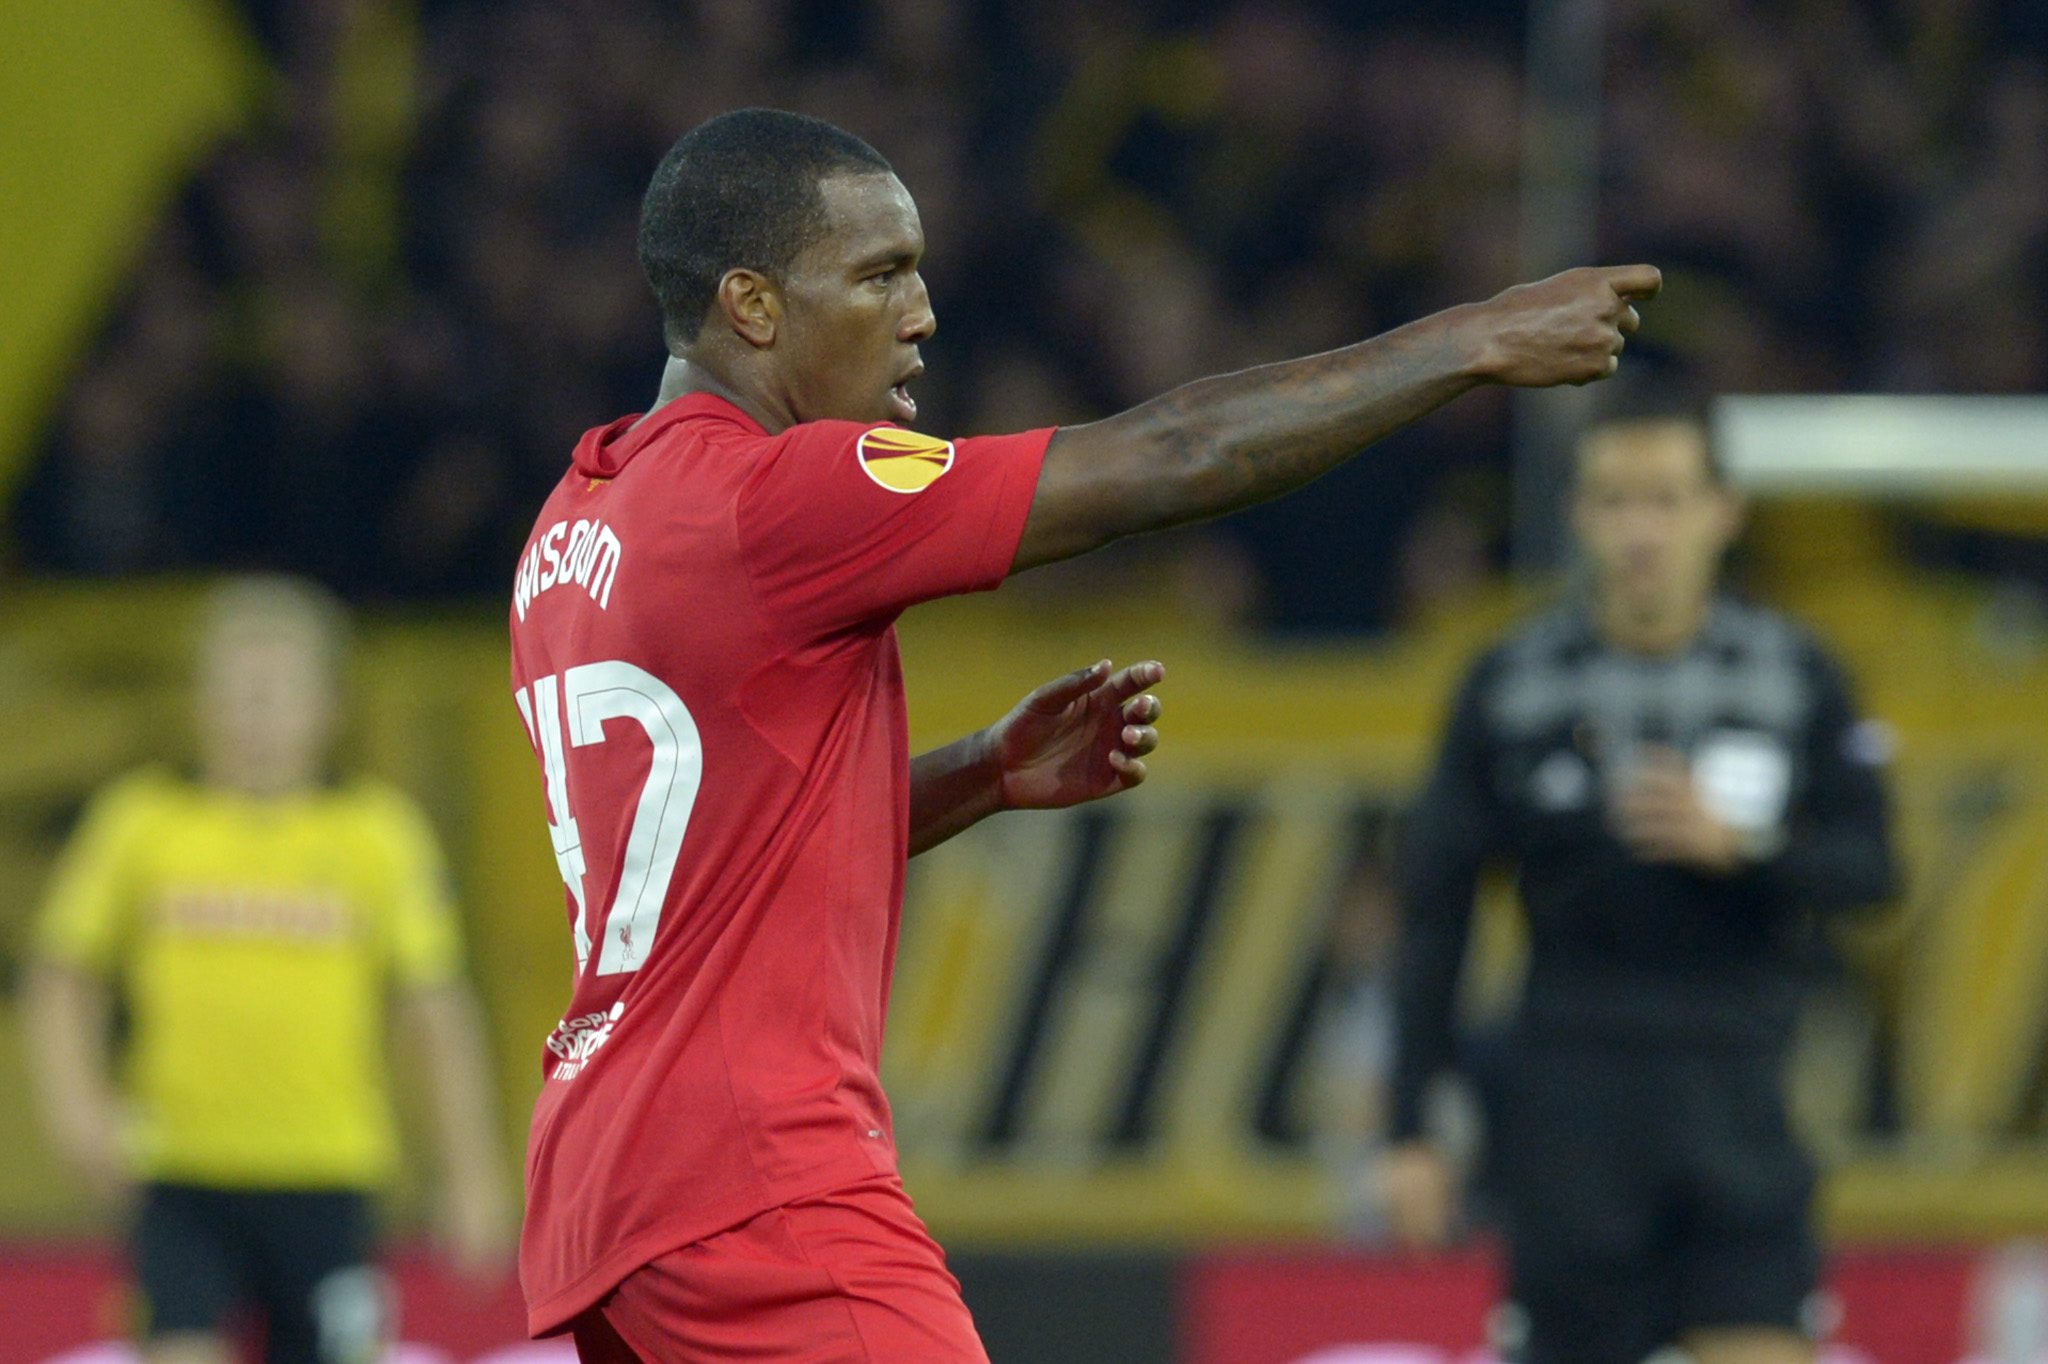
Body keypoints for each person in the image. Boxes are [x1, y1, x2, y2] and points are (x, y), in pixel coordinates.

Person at [507, 106, 1656, 1361]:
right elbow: (1170, 454)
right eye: (880, 272)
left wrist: (978, 775)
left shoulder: (578, 523)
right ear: (754, 306)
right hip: (759, 1183)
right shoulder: (774, 496)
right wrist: (1469, 340)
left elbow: (720, 853)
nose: (923, 311)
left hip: (610, 1187)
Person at [1380, 412, 1900, 1364]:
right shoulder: (1512, 683)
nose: (1641, 531)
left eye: (1666, 500)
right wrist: (1409, 1126)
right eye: (1616, 501)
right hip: (1571, 1100)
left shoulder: (1794, 675)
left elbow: (1873, 872)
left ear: (1722, 512)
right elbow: (1434, 917)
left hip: (1738, 1090)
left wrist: (1746, 847)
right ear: (1578, 515)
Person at [27, 576, 513, 1364]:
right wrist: (80, 1108)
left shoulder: (377, 838)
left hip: (328, 1176)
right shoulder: (142, 824)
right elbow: (62, 980)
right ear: (201, 701)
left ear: (329, 708)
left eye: (279, 691)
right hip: (182, 1174)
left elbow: (434, 1013)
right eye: (239, 690)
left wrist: (472, 1172)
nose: (258, 715)